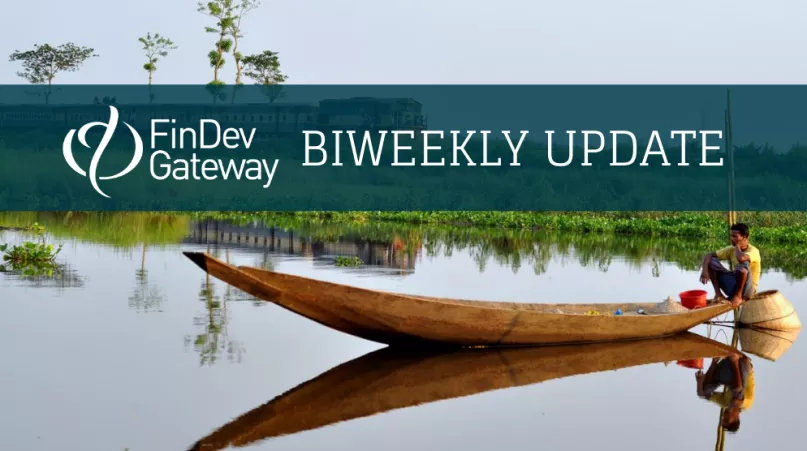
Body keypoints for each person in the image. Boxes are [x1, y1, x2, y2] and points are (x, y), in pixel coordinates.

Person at [700, 223, 761, 307]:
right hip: (734, 285)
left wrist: (737, 247)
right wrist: (704, 271)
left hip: (747, 291)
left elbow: (742, 258)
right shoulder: (731, 249)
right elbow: (708, 255)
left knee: (743, 264)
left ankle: (738, 296)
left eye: (735, 236)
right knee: (711, 261)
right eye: (731, 236)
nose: (732, 239)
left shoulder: (754, 251)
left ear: (745, 237)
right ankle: (719, 295)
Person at [696, 353, 755, 433]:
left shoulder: (724, 403)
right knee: (737, 394)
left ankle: (714, 362)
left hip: (726, 369)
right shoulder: (747, 405)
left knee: (704, 390)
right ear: (736, 418)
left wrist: (700, 382)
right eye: (727, 419)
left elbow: (702, 394)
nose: (724, 416)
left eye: (723, 418)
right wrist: (735, 362)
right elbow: (736, 401)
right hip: (743, 365)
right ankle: (735, 361)